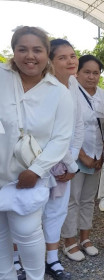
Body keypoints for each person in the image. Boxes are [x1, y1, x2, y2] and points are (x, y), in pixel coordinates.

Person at [0, 26, 73, 280]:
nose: (30, 56)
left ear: (47, 53)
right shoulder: (1, 77)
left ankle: (35, 277)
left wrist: (36, 171)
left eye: (37, 50)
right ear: (14, 51)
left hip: (28, 177)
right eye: (22, 49)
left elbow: (61, 138)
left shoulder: (59, 92)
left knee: (27, 232)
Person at [38, 38, 84, 280]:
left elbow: (78, 126)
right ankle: (18, 260)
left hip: (66, 163)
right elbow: (52, 132)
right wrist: (69, 162)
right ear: (51, 61)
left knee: (57, 211)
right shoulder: (44, 86)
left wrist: (71, 161)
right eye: (62, 57)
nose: (70, 61)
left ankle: (52, 260)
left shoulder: (74, 84)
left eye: (73, 55)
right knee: (30, 211)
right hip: (42, 161)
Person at [61, 55, 104, 263]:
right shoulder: (71, 93)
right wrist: (83, 157)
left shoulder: (103, 96)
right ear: (77, 73)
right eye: (86, 72)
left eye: (95, 73)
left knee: (88, 200)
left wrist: (101, 155)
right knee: (72, 200)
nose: (91, 76)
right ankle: (69, 241)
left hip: (97, 156)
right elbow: (70, 128)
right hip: (76, 156)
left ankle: (85, 238)